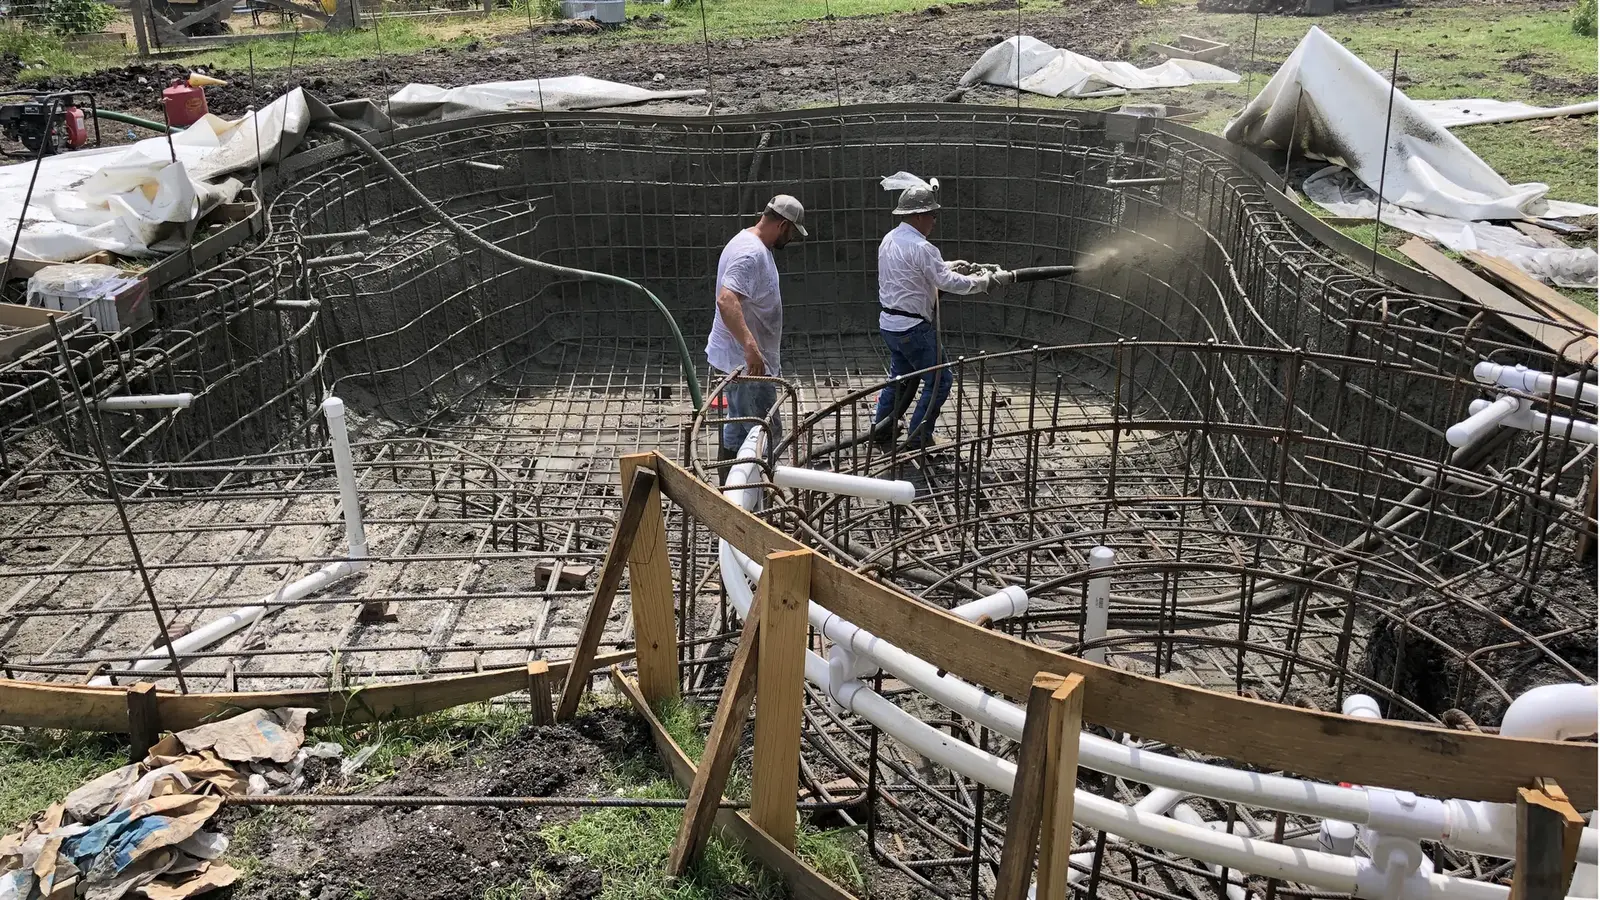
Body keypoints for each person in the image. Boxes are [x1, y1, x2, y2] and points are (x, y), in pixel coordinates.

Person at [873, 173, 1008, 451]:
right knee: (940, 380)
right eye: (932, 215)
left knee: (899, 380)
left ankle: (882, 430)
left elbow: (915, 270)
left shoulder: (890, 239)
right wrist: (982, 283)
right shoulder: (923, 247)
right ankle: (919, 437)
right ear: (920, 215)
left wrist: (946, 263)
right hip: (914, 330)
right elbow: (946, 282)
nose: (934, 221)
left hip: (890, 325)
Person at [705, 194, 808, 465]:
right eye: (793, 233)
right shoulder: (750, 253)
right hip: (747, 364)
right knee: (757, 433)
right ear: (783, 225)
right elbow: (726, 300)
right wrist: (750, 346)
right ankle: (748, 493)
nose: (793, 240)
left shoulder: (751, 242)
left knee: (745, 426)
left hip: (747, 362)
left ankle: (733, 486)